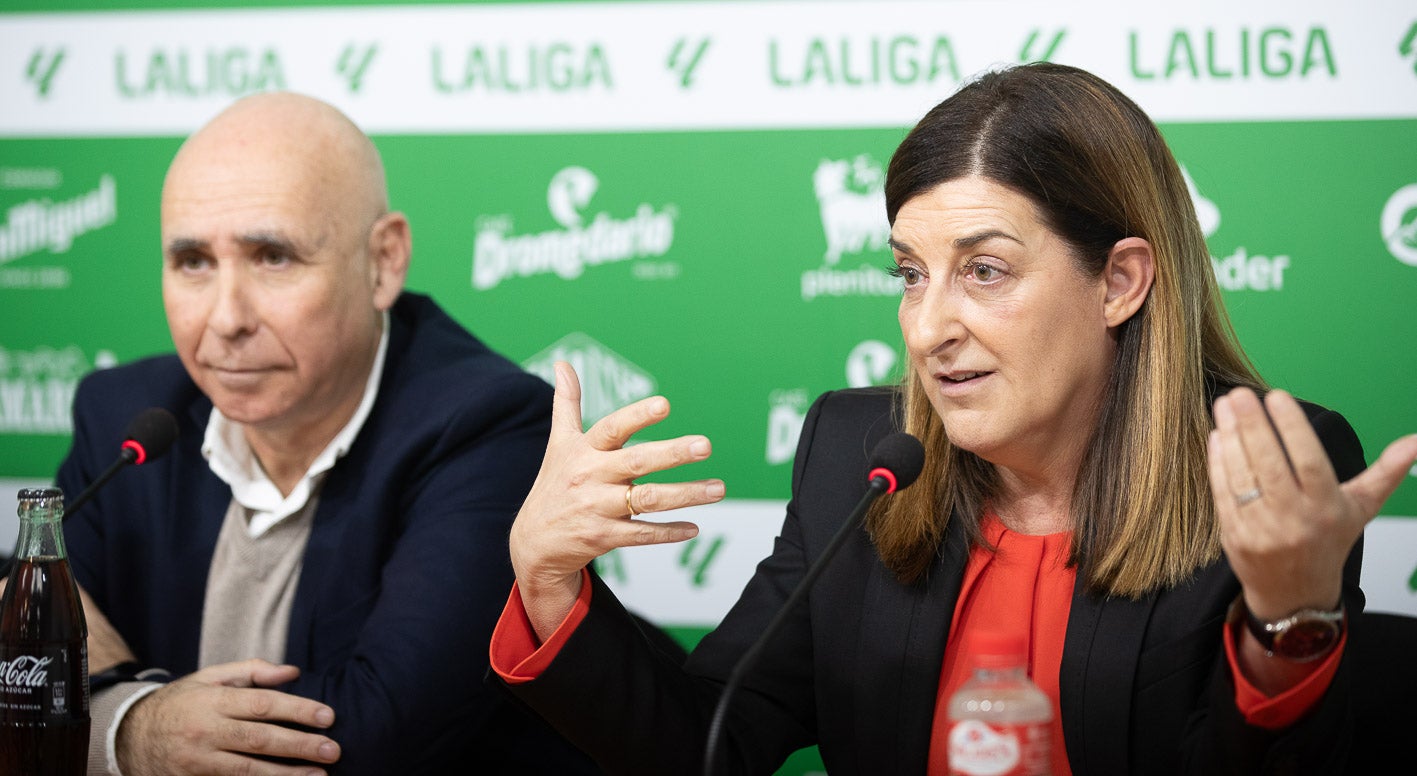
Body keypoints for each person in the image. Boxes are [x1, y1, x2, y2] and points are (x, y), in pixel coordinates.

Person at [487, 63, 1417, 775]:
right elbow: (705, 747)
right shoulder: (855, 454)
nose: (929, 328)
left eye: (984, 271)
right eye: (909, 273)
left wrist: (1290, 622)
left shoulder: (1265, 470)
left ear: (1120, 282)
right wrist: (549, 584)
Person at [56, 92, 600, 775]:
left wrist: (116, 716)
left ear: (383, 261)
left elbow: (370, 739)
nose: (226, 317)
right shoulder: (123, 421)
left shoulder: (491, 429)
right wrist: (136, 726)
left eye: (272, 257)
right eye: (194, 262)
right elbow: (24, 666)